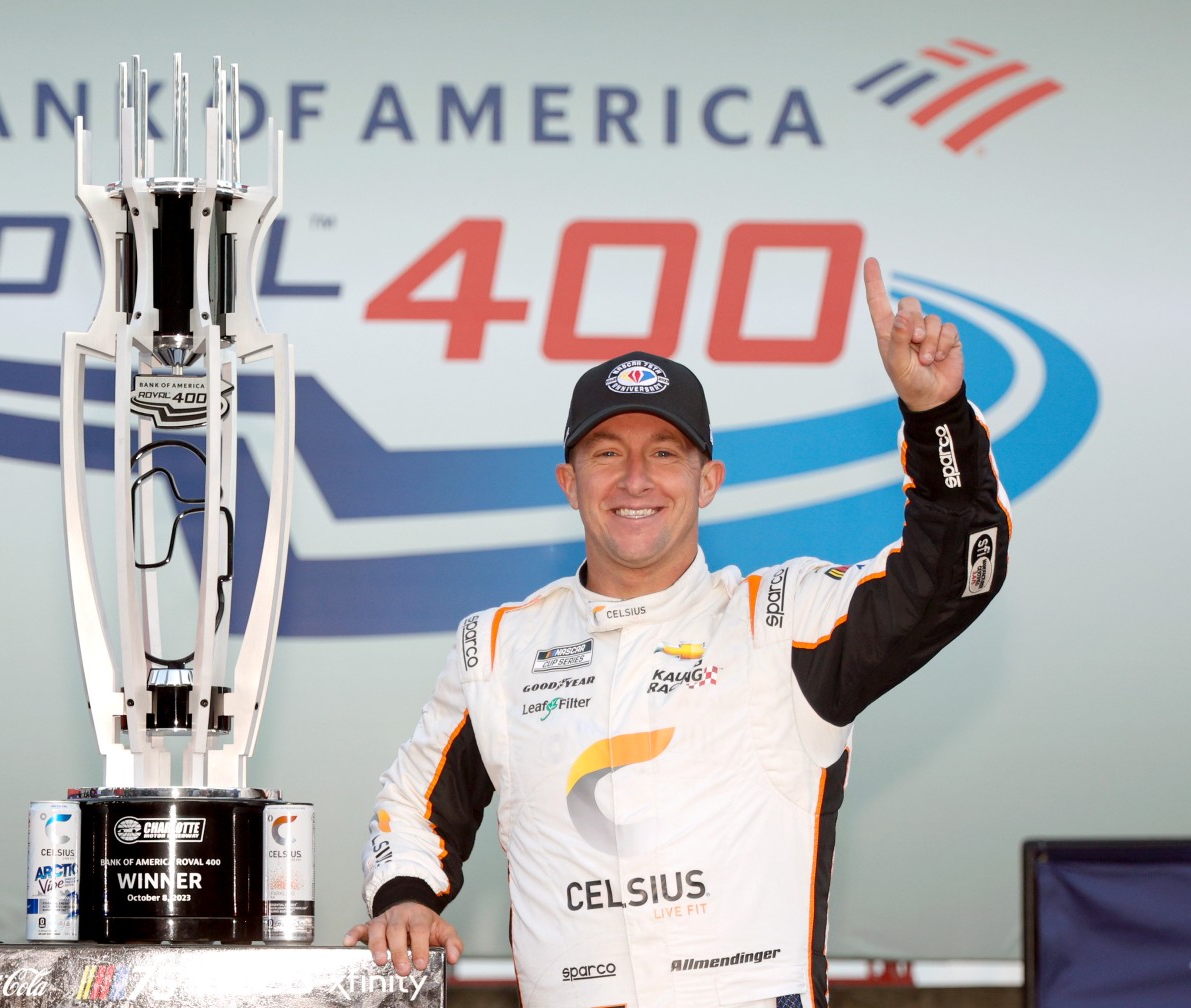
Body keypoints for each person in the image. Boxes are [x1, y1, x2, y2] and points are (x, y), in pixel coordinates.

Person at [343, 258, 1011, 1008]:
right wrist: (404, 895)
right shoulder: (498, 649)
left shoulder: (783, 622)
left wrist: (937, 418)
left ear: (708, 481)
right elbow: (414, 803)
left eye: (664, 453)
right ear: (569, 483)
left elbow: (951, 575)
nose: (635, 480)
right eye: (607, 454)